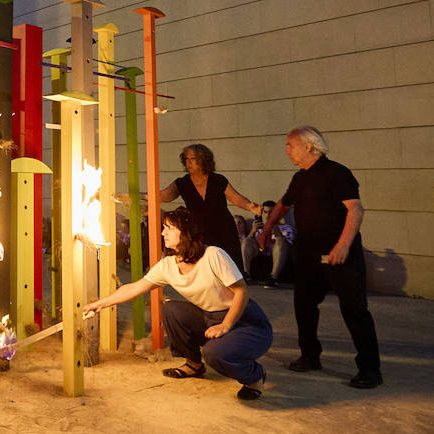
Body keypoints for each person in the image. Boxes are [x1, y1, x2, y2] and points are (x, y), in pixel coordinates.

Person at [83, 208, 272, 400]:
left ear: (186, 232)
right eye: (163, 228)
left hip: (245, 321)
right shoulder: (168, 265)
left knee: (214, 353)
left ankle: (254, 377)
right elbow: (134, 288)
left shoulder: (213, 255)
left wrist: (226, 325)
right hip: (209, 317)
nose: (163, 233)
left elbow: (242, 291)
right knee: (171, 309)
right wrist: (100, 304)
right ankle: (194, 365)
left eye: (169, 228)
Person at [257, 126, 382, 389]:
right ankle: (310, 355)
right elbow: (284, 203)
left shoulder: (337, 173)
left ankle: (370, 369)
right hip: (308, 254)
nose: (286, 150)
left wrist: (343, 245)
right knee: (304, 306)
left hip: (339, 254)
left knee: (354, 310)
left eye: (290, 145)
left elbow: (355, 209)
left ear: (309, 147)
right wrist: (267, 228)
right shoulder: (300, 177)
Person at [157, 143, 261, 268]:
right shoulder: (182, 183)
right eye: (186, 159)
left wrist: (250, 206)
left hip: (224, 230)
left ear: (203, 159)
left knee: (228, 267)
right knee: (205, 267)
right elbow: (163, 195)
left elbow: (235, 198)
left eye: (192, 158)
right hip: (200, 232)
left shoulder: (218, 180)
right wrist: (141, 196)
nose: (188, 162)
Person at [242, 200, 293, 285]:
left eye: (271, 212)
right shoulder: (260, 227)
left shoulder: (286, 228)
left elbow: (287, 246)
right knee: (247, 240)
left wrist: (276, 230)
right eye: (265, 212)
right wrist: (253, 231)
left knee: (281, 242)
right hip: (260, 254)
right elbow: (247, 245)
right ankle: (246, 274)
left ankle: (273, 277)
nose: (268, 215)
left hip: (277, 257)